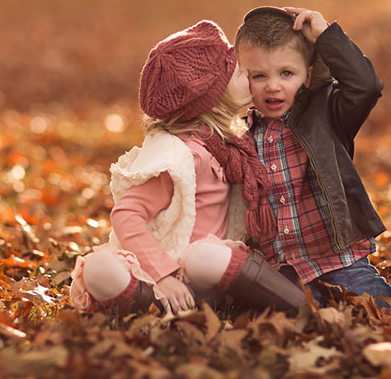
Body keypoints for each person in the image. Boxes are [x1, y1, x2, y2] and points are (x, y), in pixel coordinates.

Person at [235, 6, 391, 322]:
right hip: (282, 267)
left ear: (307, 74)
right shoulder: (239, 136)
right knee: (295, 318)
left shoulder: (326, 113)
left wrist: (326, 37)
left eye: (286, 73)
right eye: (259, 76)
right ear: (243, 78)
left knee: (380, 310)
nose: (273, 86)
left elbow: (366, 87)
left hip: (338, 259)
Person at [69, 20, 306, 316]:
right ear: (212, 98)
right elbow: (126, 214)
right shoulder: (181, 156)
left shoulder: (231, 145)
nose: (248, 72)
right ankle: (157, 304)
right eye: (238, 72)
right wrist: (164, 276)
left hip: (206, 272)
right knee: (99, 268)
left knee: (203, 256)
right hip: (161, 269)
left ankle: (300, 306)